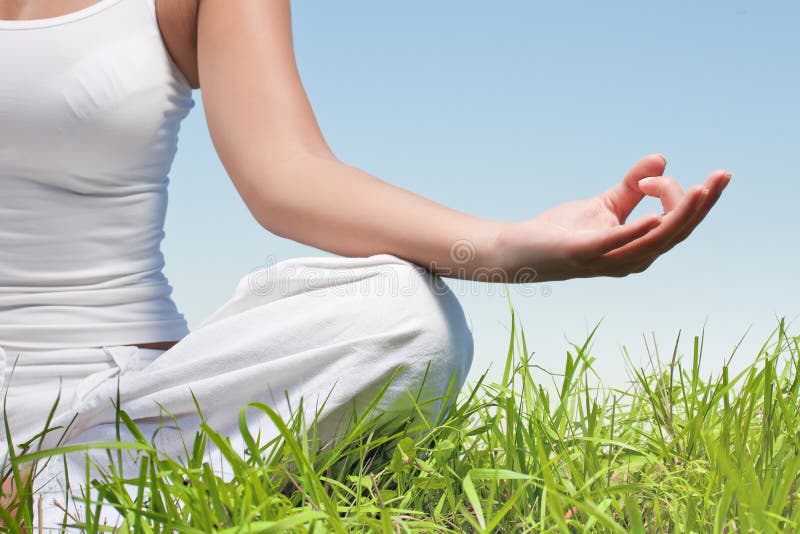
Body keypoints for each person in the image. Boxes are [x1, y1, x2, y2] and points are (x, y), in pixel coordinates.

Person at [0, 0, 731, 529]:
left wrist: (509, 246)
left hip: (128, 399)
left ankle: (63, 479)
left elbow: (287, 173)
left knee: (408, 318)